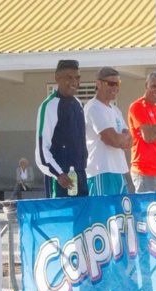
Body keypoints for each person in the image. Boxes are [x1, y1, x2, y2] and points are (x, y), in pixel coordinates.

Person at [35, 59, 88, 198]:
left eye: (77, 77)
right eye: (69, 77)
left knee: (82, 219)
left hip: (80, 177)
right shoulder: (49, 106)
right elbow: (42, 149)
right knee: (61, 219)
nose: (74, 82)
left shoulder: (77, 104)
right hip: (60, 179)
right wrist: (58, 174)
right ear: (57, 78)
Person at [83, 67, 132, 196]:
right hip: (101, 171)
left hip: (119, 171)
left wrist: (121, 138)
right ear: (98, 83)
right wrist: (122, 137)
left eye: (118, 83)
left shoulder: (115, 110)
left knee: (120, 215)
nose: (115, 87)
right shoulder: (94, 108)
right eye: (111, 83)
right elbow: (113, 140)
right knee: (102, 215)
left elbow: (130, 141)